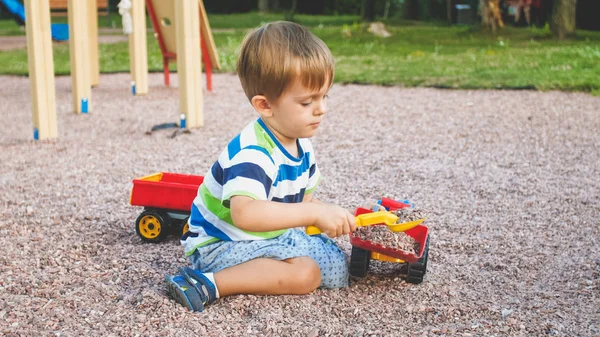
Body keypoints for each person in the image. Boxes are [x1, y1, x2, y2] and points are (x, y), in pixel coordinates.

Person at [164, 21, 357, 312]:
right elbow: (246, 214)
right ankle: (208, 282)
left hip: (268, 235)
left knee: (338, 270)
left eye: (324, 96)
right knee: (307, 274)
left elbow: (301, 203)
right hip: (223, 242)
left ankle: (268, 266)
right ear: (265, 105)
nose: (322, 109)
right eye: (307, 102)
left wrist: (326, 215)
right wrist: (314, 212)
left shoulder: (300, 140)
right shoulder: (253, 152)